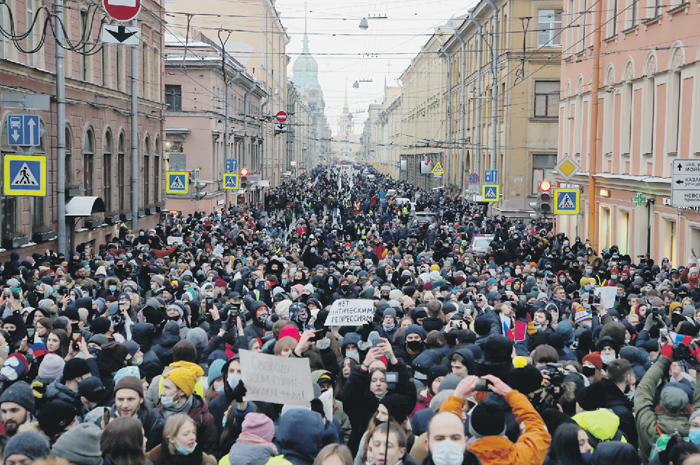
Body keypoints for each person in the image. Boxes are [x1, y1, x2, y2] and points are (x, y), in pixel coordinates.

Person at [146, 414, 217, 465]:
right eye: (186, 434)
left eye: (193, 432)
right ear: (171, 439)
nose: (192, 437)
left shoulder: (204, 459)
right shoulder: (154, 459)